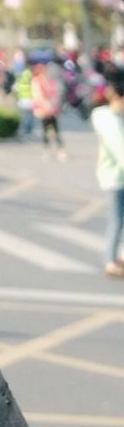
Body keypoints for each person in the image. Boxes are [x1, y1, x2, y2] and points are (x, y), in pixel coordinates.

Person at [93, 74, 124, 277]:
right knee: (116, 220)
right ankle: (110, 261)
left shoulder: (111, 117)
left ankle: (117, 257)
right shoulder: (109, 120)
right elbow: (119, 148)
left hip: (115, 176)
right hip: (114, 178)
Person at [32, 56, 66, 155]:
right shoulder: (37, 81)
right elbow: (37, 95)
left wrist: (53, 104)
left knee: (55, 129)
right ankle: (46, 149)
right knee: (45, 129)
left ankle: (60, 149)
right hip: (43, 109)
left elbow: (54, 93)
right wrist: (47, 105)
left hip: (51, 108)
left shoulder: (48, 80)